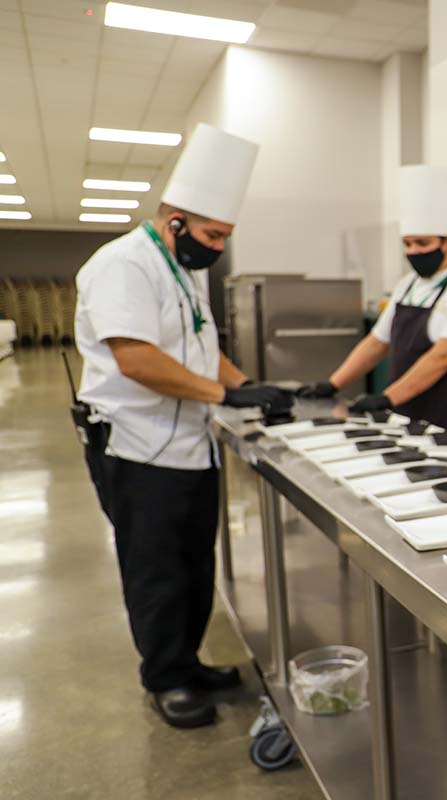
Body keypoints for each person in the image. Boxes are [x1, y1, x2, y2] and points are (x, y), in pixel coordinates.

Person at [75, 123, 293, 729]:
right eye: (211, 234)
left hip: (191, 444)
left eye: (225, 236)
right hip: (138, 447)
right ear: (175, 220)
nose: (218, 247)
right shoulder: (122, 265)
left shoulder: (185, 272)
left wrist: (245, 387)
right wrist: (224, 393)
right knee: (155, 568)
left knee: (195, 562)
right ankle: (165, 678)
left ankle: (188, 662)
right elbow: (137, 359)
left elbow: (200, 349)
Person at [297, 165, 447, 441]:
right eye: (407, 244)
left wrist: (387, 397)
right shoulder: (407, 286)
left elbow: (443, 357)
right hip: (412, 408)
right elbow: (376, 343)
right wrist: (332, 384)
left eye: (422, 243)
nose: (413, 252)